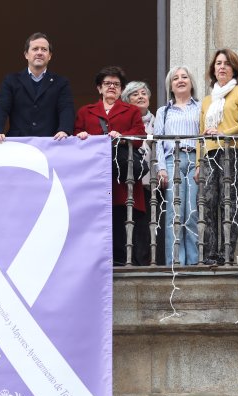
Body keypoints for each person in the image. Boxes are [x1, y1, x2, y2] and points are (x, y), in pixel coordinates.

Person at [74, 66, 145, 266]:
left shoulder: (131, 111)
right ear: (99, 88)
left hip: (122, 175)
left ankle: (121, 260)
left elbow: (139, 137)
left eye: (116, 84)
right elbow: (75, 134)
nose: (111, 87)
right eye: (107, 84)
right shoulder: (85, 111)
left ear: (121, 90)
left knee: (122, 216)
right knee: (96, 218)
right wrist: (81, 136)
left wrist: (122, 138)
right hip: (95, 175)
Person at [197, 49, 238, 265]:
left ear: (234, 69)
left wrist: (225, 133)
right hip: (211, 153)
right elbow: (200, 134)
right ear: (213, 69)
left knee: (228, 202)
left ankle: (226, 252)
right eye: (218, 63)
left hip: (234, 152)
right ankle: (210, 253)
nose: (222, 67)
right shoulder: (206, 100)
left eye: (227, 64)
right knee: (210, 202)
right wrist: (198, 163)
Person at [153, 66, 201, 266]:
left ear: (191, 82)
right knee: (175, 214)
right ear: (170, 86)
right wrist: (161, 168)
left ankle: (193, 262)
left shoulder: (200, 108)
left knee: (192, 213)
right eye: (175, 78)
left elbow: (204, 139)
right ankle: (175, 263)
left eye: (184, 77)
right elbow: (157, 142)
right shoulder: (163, 112)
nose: (180, 80)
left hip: (193, 161)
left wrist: (201, 163)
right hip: (172, 161)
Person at [0, 32, 74, 141]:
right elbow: (1, 107)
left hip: (50, 143)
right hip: (18, 143)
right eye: (35, 49)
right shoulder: (11, 80)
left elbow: (66, 108)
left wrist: (64, 130)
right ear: (26, 54)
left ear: (50, 56)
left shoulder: (61, 82)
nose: (39, 52)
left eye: (44, 49)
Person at [121, 81, 163, 265]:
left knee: (154, 226)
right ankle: (135, 261)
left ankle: (154, 261)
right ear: (127, 100)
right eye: (134, 94)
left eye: (144, 93)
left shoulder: (159, 121)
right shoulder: (125, 123)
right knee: (135, 225)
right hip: (134, 183)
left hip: (157, 182)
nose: (140, 96)